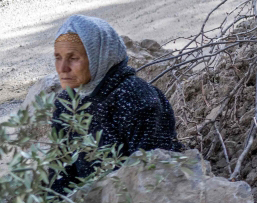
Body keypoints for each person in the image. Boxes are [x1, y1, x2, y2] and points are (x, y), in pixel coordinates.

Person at [51, 15, 182, 194]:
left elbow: (151, 177)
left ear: (99, 55)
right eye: (58, 57)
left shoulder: (136, 97)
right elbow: (60, 174)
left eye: (73, 58)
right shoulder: (66, 102)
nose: (62, 68)